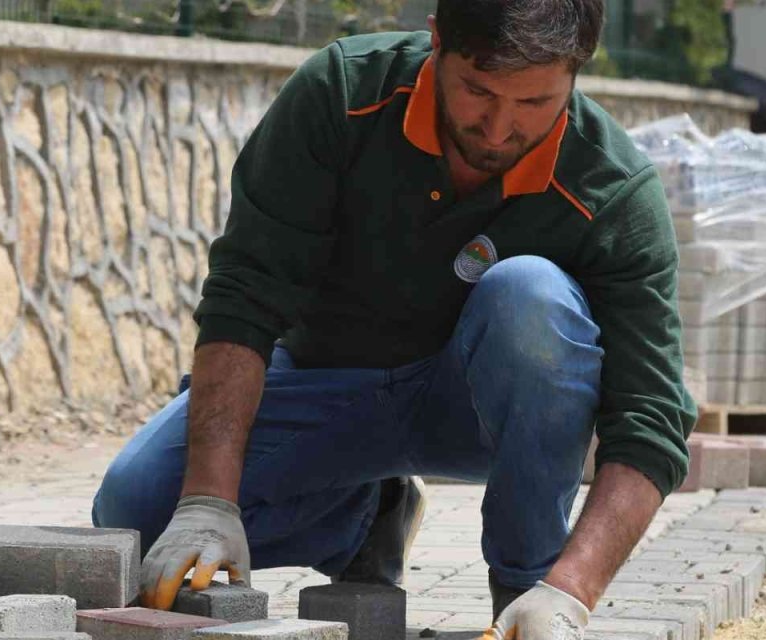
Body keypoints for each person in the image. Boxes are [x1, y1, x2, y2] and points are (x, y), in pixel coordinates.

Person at [93, 1, 696, 638]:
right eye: (477, 91)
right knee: (135, 512)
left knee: (530, 294)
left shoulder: (612, 190)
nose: (497, 129)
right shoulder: (342, 93)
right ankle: (368, 516)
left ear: (577, 72)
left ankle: (525, 594)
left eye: (533, 104)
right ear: (437, 39)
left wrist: (569, 591)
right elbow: (245, 296)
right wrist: (209, 504)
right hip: (329, 389)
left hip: (474, 415)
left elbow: (651, 418)